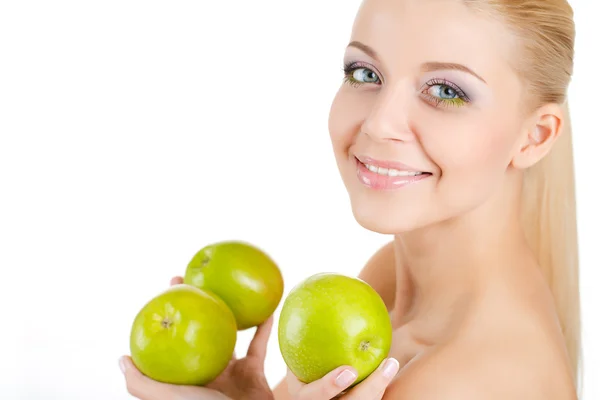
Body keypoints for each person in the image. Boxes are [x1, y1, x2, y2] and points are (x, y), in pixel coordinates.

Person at [118, 0, 582, 398]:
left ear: (534, 137)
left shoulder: (465, 381)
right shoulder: (391, 278)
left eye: (446, 90)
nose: (379, 124)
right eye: (365, 72)